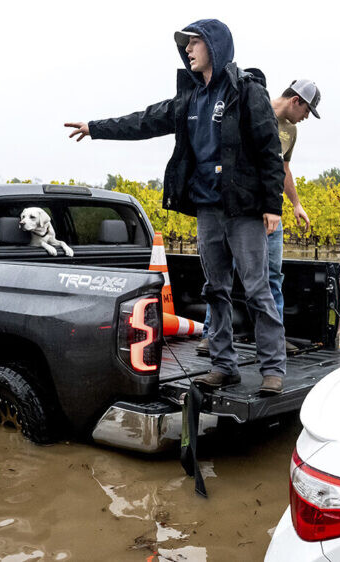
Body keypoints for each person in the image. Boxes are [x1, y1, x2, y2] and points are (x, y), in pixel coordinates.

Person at [64, 19, 287, 394]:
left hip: (243, 210)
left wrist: (272, 205)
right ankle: (223, 364)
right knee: (215, 289)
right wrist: (95, 127)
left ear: (215, 46)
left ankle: (272, 369)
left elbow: (269, 150)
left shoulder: (246, 91)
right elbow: (145, 120)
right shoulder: (190, 98)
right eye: (185, 44)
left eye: (194, 42)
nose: (188, 49)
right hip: (207, 208)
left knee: (256, 288)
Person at [197, 79, 321, 355]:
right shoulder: (251, 110)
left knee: (272, 276)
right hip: (241, 211)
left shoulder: (291, 131)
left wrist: (295, 204)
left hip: (271, 212)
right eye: (307, 112)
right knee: (221, 277)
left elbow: (283, 168)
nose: (305, 119)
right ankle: (211, 334)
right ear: (296, 100)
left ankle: (274, 340)